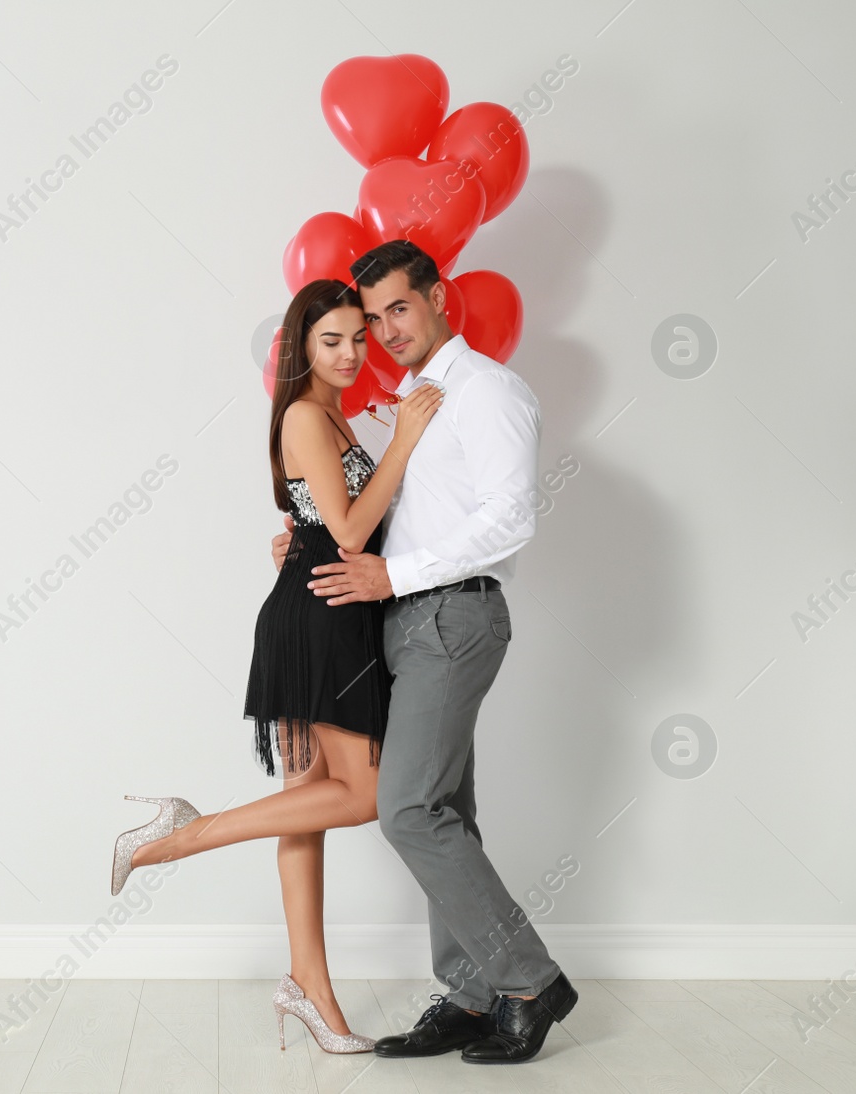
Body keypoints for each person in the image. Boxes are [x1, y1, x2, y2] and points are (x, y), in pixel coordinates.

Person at [107, 277, 443, 1054]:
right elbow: (354, 532)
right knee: (360, 796)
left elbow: (330, 523)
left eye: (359, 337)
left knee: (310, 806)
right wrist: (403, 442)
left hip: (331, 611)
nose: (353, 351)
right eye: (333, 341)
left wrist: (319, 518)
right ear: (302, 347)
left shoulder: (338, 416)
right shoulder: (302, 413)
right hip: (317, 624)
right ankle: (183, 834)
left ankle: (310, 990)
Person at [287, 239, 578, 1065]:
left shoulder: (486, 391)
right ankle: (474, 991)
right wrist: (306, 545)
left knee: (405, 808)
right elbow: (404, 515)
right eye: (372, 320)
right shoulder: (415, 398)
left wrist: (398, 576)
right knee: (446, 811)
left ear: (439, 295)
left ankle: (529, 979)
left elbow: (510, 518)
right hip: (407, 621)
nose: (386, 331)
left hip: (453, 618)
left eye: (399, 310)